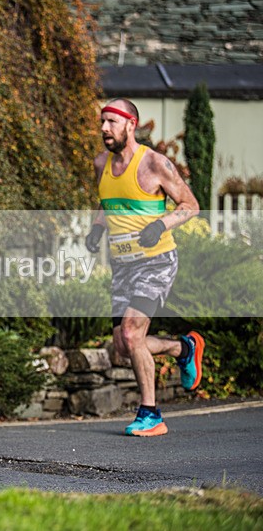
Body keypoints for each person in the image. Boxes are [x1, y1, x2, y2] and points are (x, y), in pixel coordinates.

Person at [85, 98, 205, 437]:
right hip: (122, 266)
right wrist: (97, 228)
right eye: (102, 121)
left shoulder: (154, 163)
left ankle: (151, 414)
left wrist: (161, 225)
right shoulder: (101, 164)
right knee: (123, 348)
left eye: (111, 121)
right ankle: (184, 348)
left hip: (156, 261)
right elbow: (108, 201)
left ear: (131, 124)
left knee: (132, 333)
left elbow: (191, 205)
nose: (104, 128)